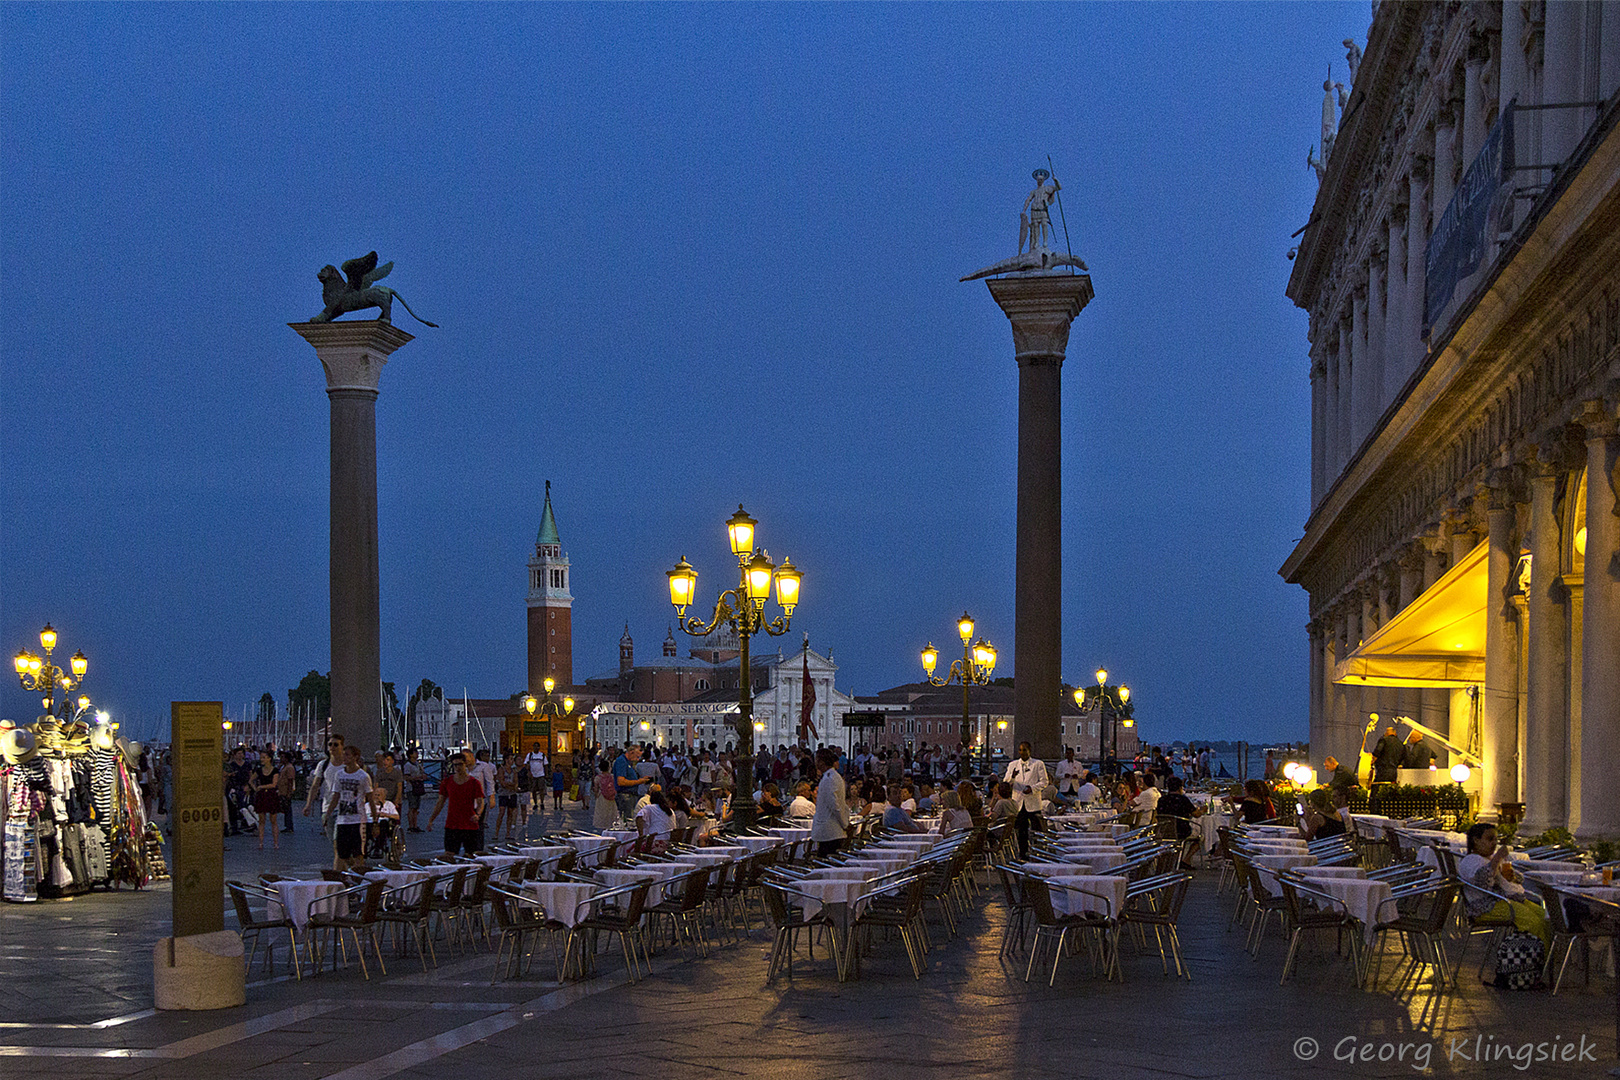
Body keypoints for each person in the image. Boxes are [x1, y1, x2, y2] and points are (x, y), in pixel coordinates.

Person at [1459, 823, 1550, 949]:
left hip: (1507, 900)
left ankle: (1552, 955)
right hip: (1487, 906)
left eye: (1496, 839)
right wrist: (1497, 858)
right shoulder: (1471, 861)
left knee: (1546, 917)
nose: (1494, 843)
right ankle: (1540, 959)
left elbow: (1518, 878)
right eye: (1490, 839)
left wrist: (1512, 876)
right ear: (1476, 840)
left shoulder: (1490, 859)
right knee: (1533, 922)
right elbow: (1484, 882)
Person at [426, 753, 486, 857]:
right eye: (455, 765)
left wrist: (478, 814)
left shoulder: (474, 783)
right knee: (449, 854)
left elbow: (480, 802)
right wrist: (431, 819)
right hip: (452, 824)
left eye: (460, 764)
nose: (457, 767)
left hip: (469, 824)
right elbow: (440, 802)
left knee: (471, 855)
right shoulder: (447, 782)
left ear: (465, 764)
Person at [1002, 741, 1049, 858]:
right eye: (1020, 750)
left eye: (1024, 750)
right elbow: (1005, 783)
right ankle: (1023, 854)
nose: (1022, 753)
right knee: (1021, 831)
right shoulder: (1013, 764)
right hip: (1018, 803)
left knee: (1037, 829)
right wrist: (1012, 777)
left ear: (1029, 751)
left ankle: (1039, 853)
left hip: (1033, 802)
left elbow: (1044, 782)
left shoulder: (1038, 764)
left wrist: (1032, 788)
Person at [329, 745, 373, 872]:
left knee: (358, 852)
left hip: (357, 819)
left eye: (347, 755)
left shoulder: (363, 776)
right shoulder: (339, 775)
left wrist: (374, 820)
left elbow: (369, 797)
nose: (344, 757)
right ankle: (350, 870)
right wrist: (329, 814)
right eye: (344, 755)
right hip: (342, 818)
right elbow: (336, 795)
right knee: (342, 853)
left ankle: (359, 876)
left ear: (355, 757)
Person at [302, 734, 346, 855]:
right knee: (334, 843)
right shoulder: (323, 765)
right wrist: (308, 804)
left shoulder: (347, 765)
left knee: (339, 843)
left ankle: (339, 871)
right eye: (330, 744)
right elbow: (315, 785)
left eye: (336, 744)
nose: (332, 747)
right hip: (327, 807)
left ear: (342, 746)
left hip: (344, 808)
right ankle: (349, 865)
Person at [810, 748, 848, 856]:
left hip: (829, 830)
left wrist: (843, 823)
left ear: (821, 762)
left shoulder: (829, 779)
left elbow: (835, 805)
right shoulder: (833, 777)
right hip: (830, 830)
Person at [250, 751, 282, 850]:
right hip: (262, 795)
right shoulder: (259, 770)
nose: (262, 759)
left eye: (264, 757)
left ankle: (276, 843)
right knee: (262, 820)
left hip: (271, 795)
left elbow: (274, 784)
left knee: (273, 820)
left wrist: (260, 787)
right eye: (261, 758)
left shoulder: (275, 770)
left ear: (269, 758)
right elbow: (250, 780)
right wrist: (255, 788)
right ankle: (261, 842)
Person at [613, 746, 652, 820]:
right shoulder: (621, 761)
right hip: (625, 796)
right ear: (631, 752)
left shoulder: (627, 762)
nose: (637, 759)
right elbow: (621, 781)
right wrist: (639, 781)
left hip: (630, 795)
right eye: (637, 756)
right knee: (628, 819)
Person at [1155, 776, 1196, 841]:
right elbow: (1196, 814)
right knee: (1200, 837)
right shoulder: (1183, 800)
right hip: (1182, 831)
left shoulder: (1161, 800)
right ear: (1180, 788)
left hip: (1165, 830)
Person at [367, 785, 400, 860]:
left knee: (384, 823)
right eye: (375, 795)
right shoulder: (367, 805)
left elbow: (397, 817)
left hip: (384, 825)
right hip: (370, 824)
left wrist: (385, 814)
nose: (376, 797)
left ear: (384, 796)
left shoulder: (389, 804)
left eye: (378, 795)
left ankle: (378, 848)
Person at [493, 757, 519, 841]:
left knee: (510, 813)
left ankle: (508, 833)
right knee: (501, 812)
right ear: (506, 760)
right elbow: (502, 783)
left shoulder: (514, 771)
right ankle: (496, 833)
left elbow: (516, 783)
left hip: (512, 794)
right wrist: (510, 785)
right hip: (503, 794)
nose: (512, 761)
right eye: (511, 759)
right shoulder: (501, 770)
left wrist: (511, 785)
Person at [403, 748, 427, 832]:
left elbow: (422, 773)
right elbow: (406, 777)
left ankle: (415, 825)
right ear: (410, 755)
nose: (417, 754)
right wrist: (417, 778)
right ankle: (411, 825)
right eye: (415, 753)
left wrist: (422, 776)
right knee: (412, 807)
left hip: (418, 787)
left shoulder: (417, 764)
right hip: (411, 788)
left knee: (416, 807)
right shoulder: (408, 765)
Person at [592, 759, 620, 829]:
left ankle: (603, 828)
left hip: (601, 797)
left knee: (602, 813)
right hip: (612, 797)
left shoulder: (598, 778)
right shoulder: (613, 777)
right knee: (611, 813)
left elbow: (596, 789)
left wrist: (596, 796)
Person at [276, 751, 298, 833]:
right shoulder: (284, 767)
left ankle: (289, 826)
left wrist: (289, 792)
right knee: (286, 809)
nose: (281, 759)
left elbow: (290, 780)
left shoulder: (289, 768)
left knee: (288, 809)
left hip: (285, 790)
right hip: (282, 790)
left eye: (283, 757)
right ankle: (287, 825)